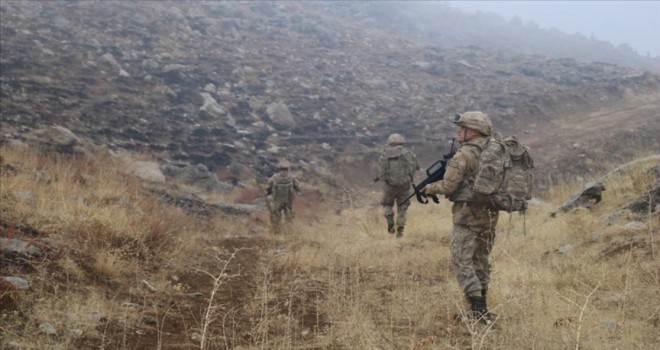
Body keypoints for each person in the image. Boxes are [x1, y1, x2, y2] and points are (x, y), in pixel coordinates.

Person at [420, 111, 498, 324]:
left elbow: (448, 186)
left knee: (462, 259)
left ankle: (478, 311)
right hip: (490, 213)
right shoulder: (495, 150)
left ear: (473, 131)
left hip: (467, 215)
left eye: (461, 128)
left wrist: (429, 188)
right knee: (480, 259)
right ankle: (482, 310)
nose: (458, 131)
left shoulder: (463, 154)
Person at [376, 133, 420, 237]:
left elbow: (381, 173)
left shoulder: (384, 154)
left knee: (386, 204)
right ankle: (400, 230)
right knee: (402, 207)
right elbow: (417, 167)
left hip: (389, 187)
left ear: (390, 142)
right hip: (405, 186)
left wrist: (386, 180)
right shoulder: (408, 153)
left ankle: (390, 216)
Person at [266, 160, 301, 234]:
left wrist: (268, 194)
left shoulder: (274, 178)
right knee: (288, 219)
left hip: (277, 202)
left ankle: (275, 233)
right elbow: (298, 188)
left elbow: (268, 188)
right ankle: (288, 233)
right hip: (288, 202)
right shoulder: (292, 177)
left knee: (276, 218)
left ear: (279, 169)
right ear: (288, 169)